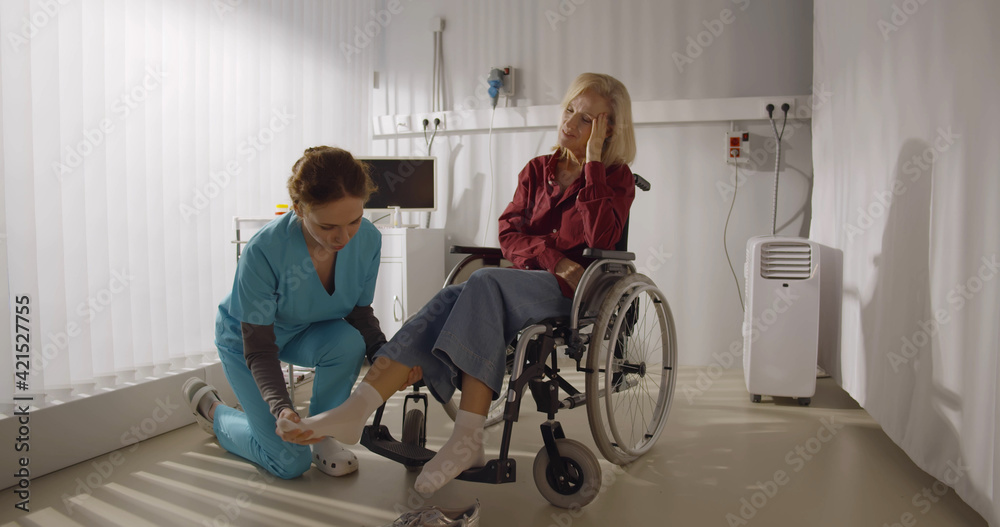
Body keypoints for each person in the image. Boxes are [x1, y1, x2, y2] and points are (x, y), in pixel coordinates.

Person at [281, 72, 637, 494]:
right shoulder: (538, 170)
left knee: (482, 282)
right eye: (569, 111)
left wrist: (593, 164)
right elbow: (509, 232)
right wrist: (552, 257)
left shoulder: (616, 179)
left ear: (607, 128)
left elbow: (601, 240)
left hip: (574, 293)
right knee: (453, 295)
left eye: (586, 120)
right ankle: (359, 407)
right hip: (523, 282)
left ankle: (464, 436)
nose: (570, 123)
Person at [183, 146, 387, 479]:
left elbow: (359, 317)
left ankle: (323, 435)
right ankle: (214, 410)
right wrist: (281, 409)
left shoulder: (368, 240)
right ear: (298, 209)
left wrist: (385, 353)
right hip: (247, 341)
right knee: (289, 462)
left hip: (305, 329)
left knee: (350, 342)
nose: (342, 237)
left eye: (354, 220)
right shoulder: (264, 250)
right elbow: (261, 348)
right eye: (327, 226)